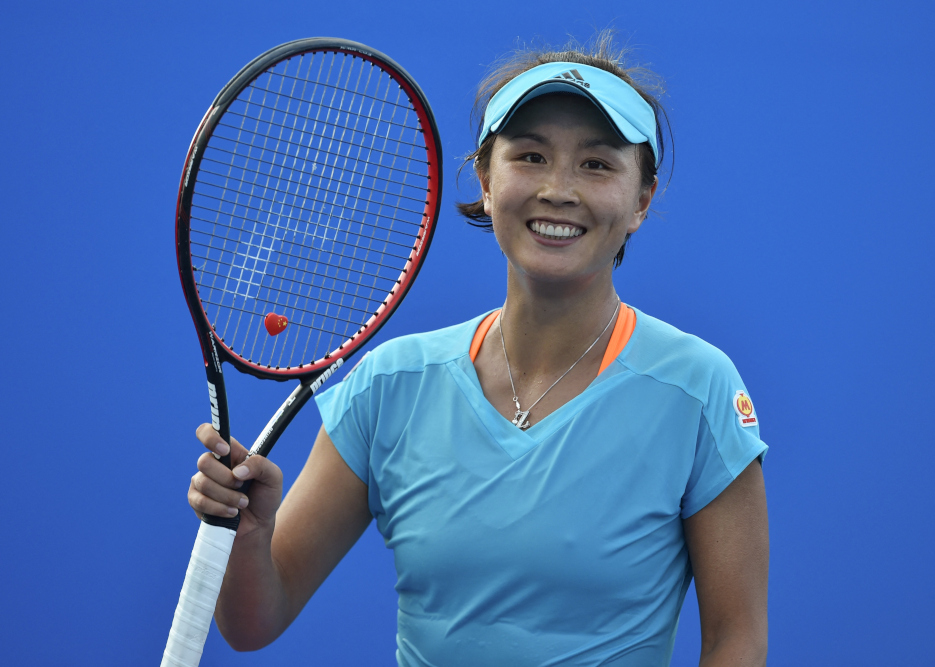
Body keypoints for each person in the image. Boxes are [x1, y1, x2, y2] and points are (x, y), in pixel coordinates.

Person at [188, 33, 769, 667]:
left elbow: (736, 641)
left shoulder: (698, 389)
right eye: (530, 156)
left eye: (597, 164)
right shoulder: (390, 385)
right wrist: (247, 536)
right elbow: (254, 621)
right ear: (486, 181)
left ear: (642, 201)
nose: (559, 189)